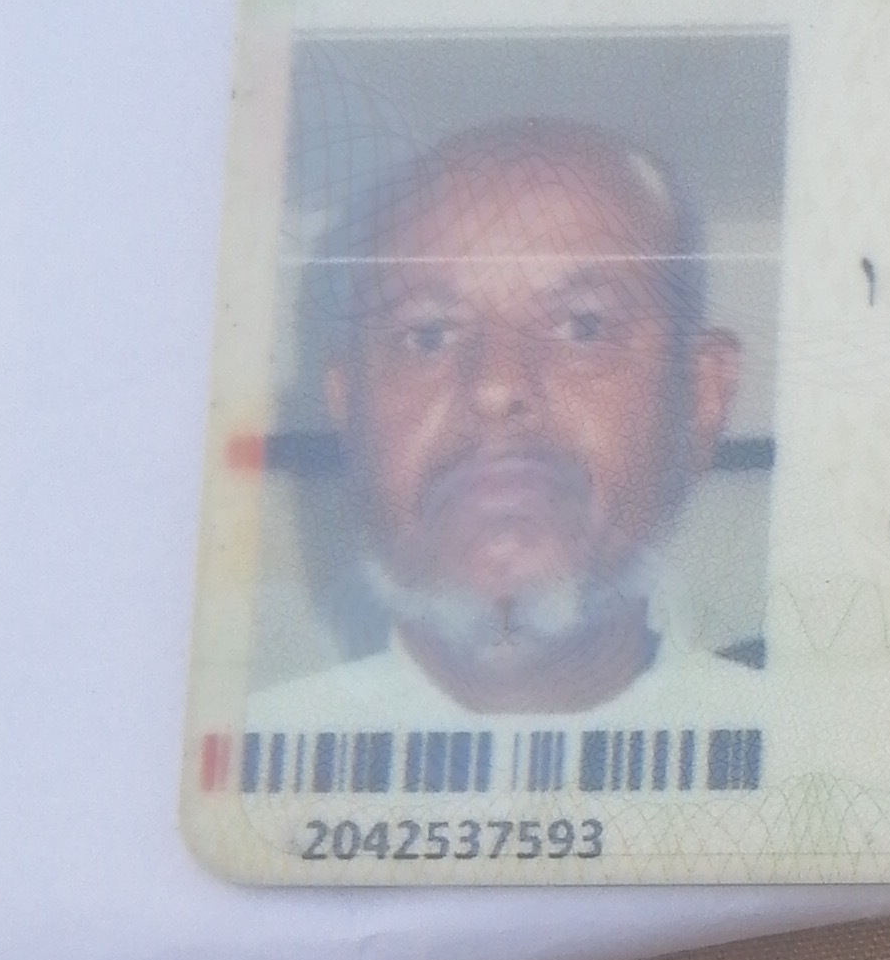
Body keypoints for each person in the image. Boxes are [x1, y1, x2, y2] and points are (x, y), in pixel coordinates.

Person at [251, 117, 768, 728]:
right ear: (348, 412)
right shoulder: (238, 757)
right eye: (428, 335)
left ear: (702, 399)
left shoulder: (815, 753)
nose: (496, 386)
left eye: (583, 327)